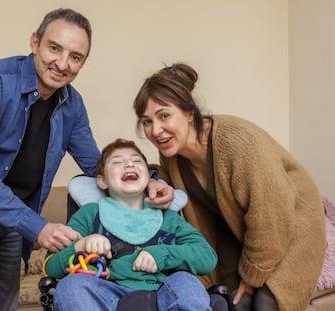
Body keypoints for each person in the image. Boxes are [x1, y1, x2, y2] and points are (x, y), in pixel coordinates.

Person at [0, 9, 173, 311]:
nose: (63, 64)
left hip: (10, 225)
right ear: (35, 42)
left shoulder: (72, 104)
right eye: (54, 48)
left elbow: (99, 163)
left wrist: (151, 184)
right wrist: (38, 227)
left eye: (76, 57)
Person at [132, 63, 327, 311]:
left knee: (264, 303)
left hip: (293, 226)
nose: (155, 130)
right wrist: (154, 180)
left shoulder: (237, 141)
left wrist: (251, 278)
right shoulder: (172, 155)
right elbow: (170, 180)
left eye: (164, 116)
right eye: (147, 121)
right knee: (227, 301)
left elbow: (271, 217)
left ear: (189, 112)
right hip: (240, 233)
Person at [43, 138, 218, 311]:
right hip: (111, 294)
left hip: (163, 292)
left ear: (149, 178)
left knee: (185, 282)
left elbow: (207, 257)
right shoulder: (89, 214)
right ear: (102, 181)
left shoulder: (168, 217)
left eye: (136, 161)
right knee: (71, 286)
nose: (129, 165)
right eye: (117, 162)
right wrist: (81, 245)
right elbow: (50, 266)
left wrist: (162, 254)